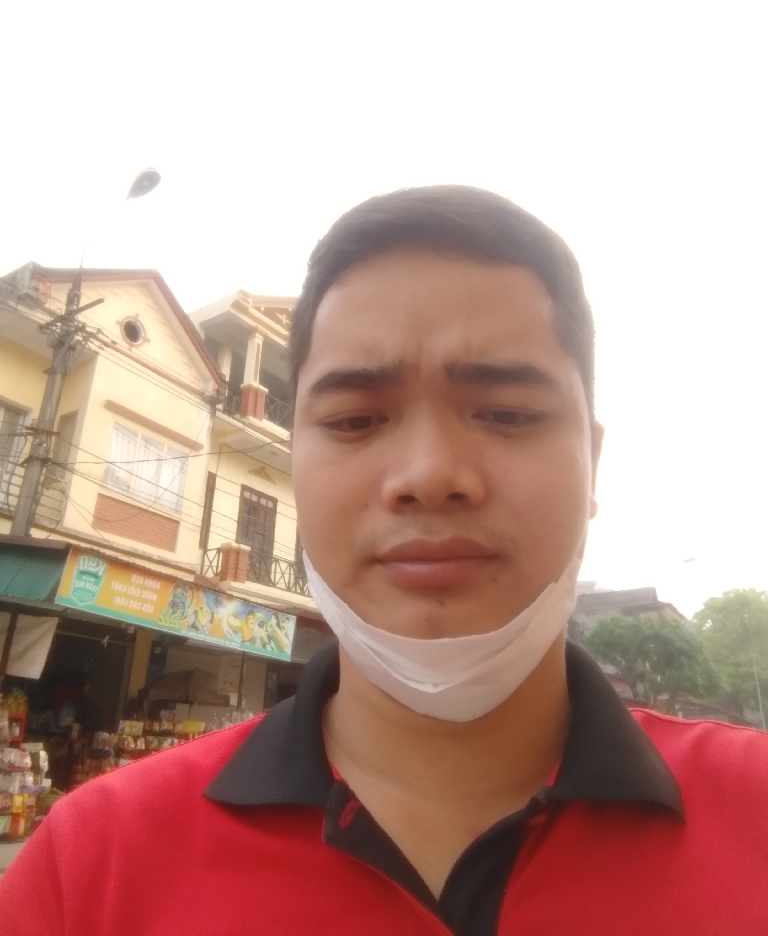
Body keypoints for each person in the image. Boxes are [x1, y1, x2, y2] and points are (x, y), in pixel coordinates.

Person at [1, 187, 766, 935]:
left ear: (592, 463)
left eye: (508, 413)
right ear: (296, 460)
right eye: (355, 420)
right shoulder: (89, 868)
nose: (429, 475)